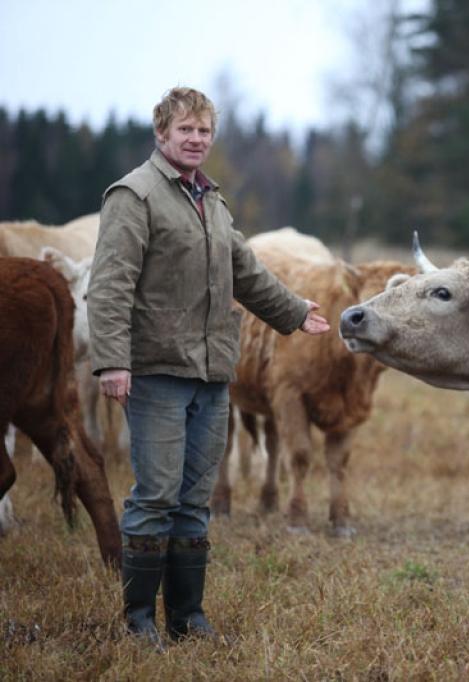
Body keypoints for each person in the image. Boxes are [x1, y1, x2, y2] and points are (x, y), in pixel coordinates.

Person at [87, 87, 330, 647]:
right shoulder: (135, 195)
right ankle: (138, 620)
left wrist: (295, 312)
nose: (195, 140)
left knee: (195, 498)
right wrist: (111, 362)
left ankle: (188, 617)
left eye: (203, 132)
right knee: (156, 495)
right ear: (162, 134)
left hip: (213, 373)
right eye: (185, 131)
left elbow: (245, 270)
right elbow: (110, 284)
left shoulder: (211, 201)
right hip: (156, 370)